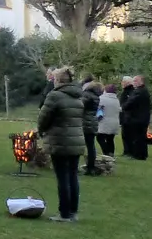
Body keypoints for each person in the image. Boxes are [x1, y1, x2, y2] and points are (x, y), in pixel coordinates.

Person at [39, 68, 86, 222]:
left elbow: (44, 117)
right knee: (73, 176)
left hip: (60, 141)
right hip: (76, 140)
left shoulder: (54, 95)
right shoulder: (78, 95)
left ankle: (64, 213)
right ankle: (73, 212)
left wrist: (41, 130)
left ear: (57, 80)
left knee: (63, 178)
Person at [124, 76, 152, 161]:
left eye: (136, 81)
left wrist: (123, 107)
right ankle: (143, 155)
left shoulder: (138, 92)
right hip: (143, 118)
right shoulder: (145, 91)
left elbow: (131, 102)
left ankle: (137, 155)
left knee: (136, 137)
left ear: (142, 82)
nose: (134, 82)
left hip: (137, 118)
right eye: (133, 81)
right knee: (142, 137)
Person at [81, 80, 103, 175]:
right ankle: (91, 167)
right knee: (91, 146)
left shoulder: (86, 95)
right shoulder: (96, 96)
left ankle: (88, 167)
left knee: (81, 145)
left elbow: (80, 106)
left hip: (85, 122)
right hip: (93, 122)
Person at [97, 84, 121, 157]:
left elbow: (98, 109)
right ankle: (111, 154)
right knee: (110, 139)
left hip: (104, 122)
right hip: (114, 122)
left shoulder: (101, 98)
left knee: (100, 137)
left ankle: (106, 153)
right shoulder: (116, 100)